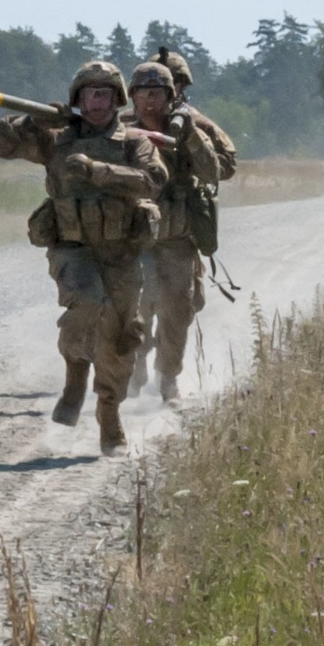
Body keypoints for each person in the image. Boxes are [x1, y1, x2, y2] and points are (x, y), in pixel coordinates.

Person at [0, 61, 167, 456]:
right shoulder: (56, 139)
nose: (96, 101)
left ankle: (109, 413)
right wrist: (30, 124)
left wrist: (97, 171)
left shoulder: (134, 142)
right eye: (89, 94)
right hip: (72, 249)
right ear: (77, 99)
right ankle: (74, 378)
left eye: (104, 94)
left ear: (116, 99)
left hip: (120, 253)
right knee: (85, 300)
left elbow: (152, 180)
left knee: (121, 337)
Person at [124, 61, 220, 405]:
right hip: (135, 241)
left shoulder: (186, 130)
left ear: (170, 96)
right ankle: (135, 367)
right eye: (143, 93)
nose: (150, 100)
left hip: (177, 242)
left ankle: (168, 379)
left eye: (158, 93)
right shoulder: (120, 132)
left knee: (176, 314)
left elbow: (213, 173)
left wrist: (191, 135)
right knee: (135, 311)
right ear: (132, 97)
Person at [148, 47, 238, 181]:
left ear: (181, 88)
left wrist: (194, 148)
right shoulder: (127, 121)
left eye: (170, 86)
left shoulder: (197, 123)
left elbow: (227, 166)